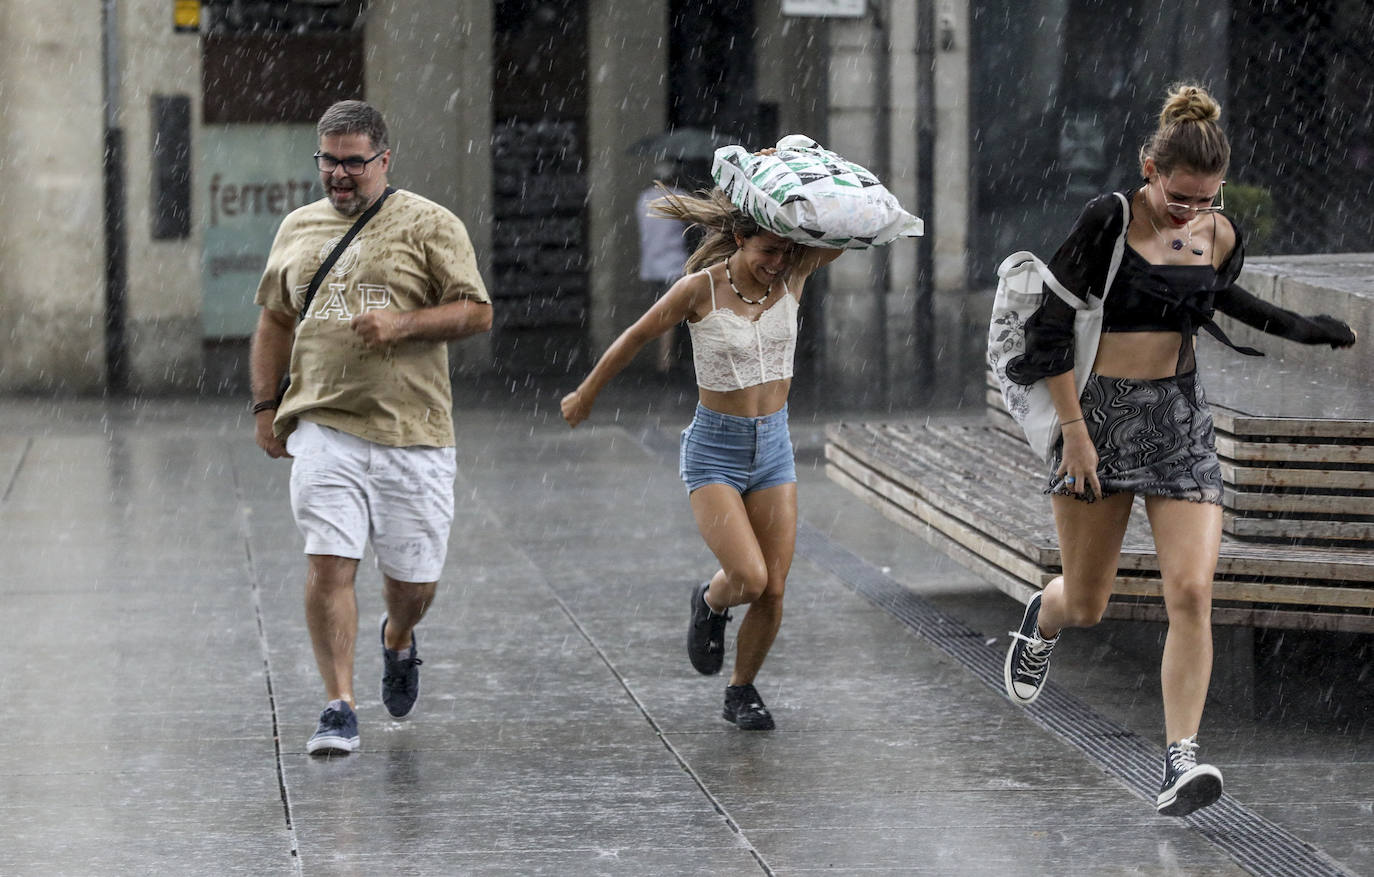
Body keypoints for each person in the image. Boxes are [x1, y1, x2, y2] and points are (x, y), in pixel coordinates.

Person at [1000, 83, 1357, 816]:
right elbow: (1048, 334)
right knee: (1090, 600)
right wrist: (1075, 434)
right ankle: (1045, 616)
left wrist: (1305, 328)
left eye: (1204, 200)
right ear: (1150, 168)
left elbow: (1221, 300)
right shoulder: (1109, 218)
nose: (1188, 213)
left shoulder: (1218, 234)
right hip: (1095, 420)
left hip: (1181, 421)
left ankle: (1180, 760)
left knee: (1192, 590)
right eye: (1178, 196)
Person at [249, 100, 493, 755]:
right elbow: (274, 320)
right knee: (329, 564)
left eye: (353, 162)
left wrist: (404, 325)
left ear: (384, 159)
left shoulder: (430, 224)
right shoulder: (298, 228)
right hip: (323, 427)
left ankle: (399, 635)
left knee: (415, 584)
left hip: (414, 432)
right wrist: (265, 407)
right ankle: (338, 705)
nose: (339, 174)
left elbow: (476, 311)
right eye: (328, 160)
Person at [561, 171, 842, 730]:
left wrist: (790, 167)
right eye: (768, 251)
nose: (777, 263)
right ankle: (711, 602)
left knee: (775, 587)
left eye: (786, 252)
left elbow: (844, 226)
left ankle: (742, 692)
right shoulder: (700, 289)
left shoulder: (796, 273)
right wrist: (587, 392)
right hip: (715, 449)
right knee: (749, 577)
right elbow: (636, 336)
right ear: (739, 239)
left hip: (774, 449)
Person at [636, 161, 691, 373]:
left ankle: (664, 358)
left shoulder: (643, 199)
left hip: (651, 265)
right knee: (671, 314)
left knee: (660, 311)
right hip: (673, 264)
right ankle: (665, 361)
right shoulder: (678, 196)